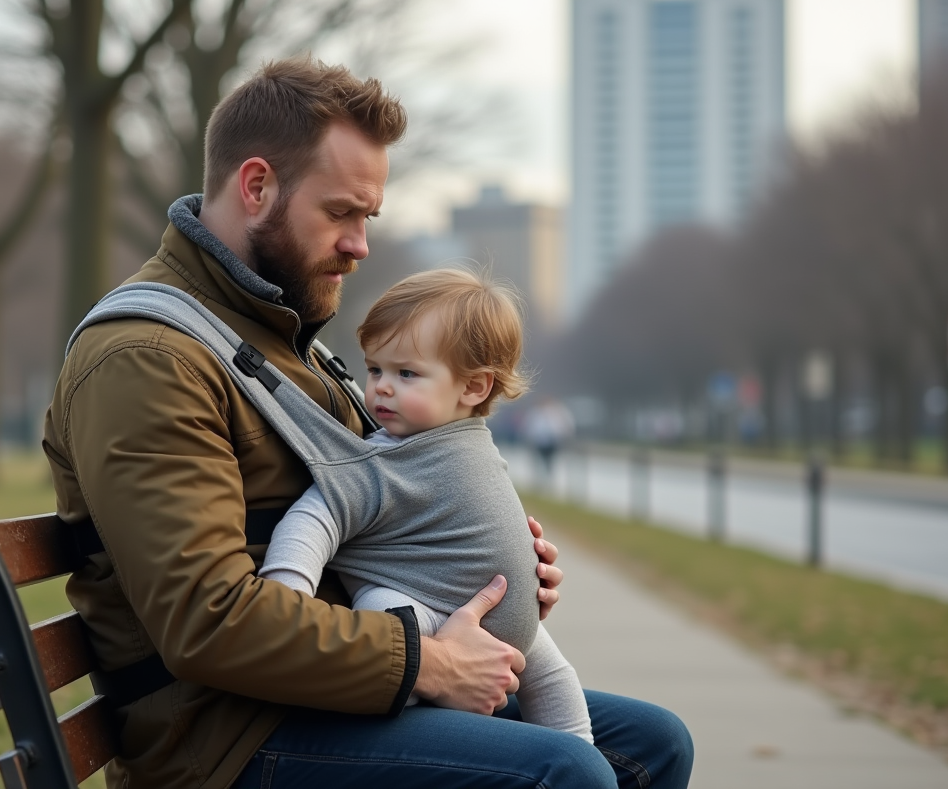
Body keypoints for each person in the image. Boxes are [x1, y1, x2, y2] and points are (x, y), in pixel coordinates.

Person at [43, 57, 693, 788]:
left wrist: (485, 565)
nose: (360, 243)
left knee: (654, 743)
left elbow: (387, 506)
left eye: (368, 217)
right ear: (256, 187)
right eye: (340, 213)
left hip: (332, 697)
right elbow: (208, 620)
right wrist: (427, 663)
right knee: (565, 772)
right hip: (230, 741)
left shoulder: (286, 342)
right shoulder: (146, 360)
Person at [259, 268, 594, 741]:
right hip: (423, 612)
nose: (382, 387)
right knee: (384, 614)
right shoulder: (379, 463)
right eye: (375, 369)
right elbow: (314, 518)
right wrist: (286, 592)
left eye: (406, 373)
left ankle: (583, 752)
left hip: (513, 633)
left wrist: (525, 561)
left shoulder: (469, 440)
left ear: (473, 388)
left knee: (562, 687)